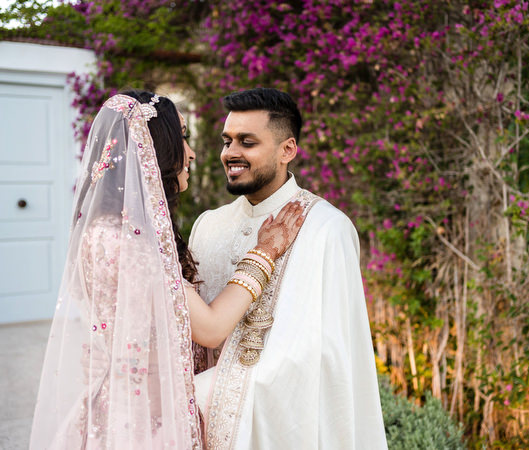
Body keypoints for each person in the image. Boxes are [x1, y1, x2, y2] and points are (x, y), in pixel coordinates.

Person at [29, 91, 305, 449]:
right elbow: (210, 328)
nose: (191, 153)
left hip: (113, 402)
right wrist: (265, 252)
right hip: (146, 420)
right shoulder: (131, 244)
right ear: (156, 151)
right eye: (182, 139)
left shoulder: (100, 230)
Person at [189, 88, 387, 449]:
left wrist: (208, 395)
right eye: (227, 140)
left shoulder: (327, 228)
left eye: (247, 142)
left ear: (288, 151)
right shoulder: (208, 226)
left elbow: (327, 355)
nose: (230, 153)